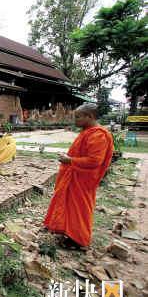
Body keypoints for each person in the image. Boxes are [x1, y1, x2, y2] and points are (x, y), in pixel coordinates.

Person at [44, 103, 114, 248]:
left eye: (78, 117)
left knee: (79, 208)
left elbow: (95, 160)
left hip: (84, 179)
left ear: (90, 116)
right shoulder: (87, 131)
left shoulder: (98, 134)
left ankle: (78, 240)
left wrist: (69, 160)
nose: (75, 120)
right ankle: (67, 231)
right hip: (76, 175)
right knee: (69, 204)